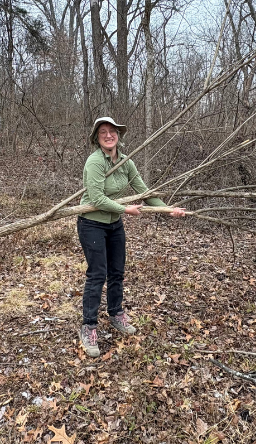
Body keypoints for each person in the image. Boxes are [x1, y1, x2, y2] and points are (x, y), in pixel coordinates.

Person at [77, 116, 186, 358]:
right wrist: (126, 209)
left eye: (112, 131)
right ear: (97, 137)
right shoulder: (95, 162)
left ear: (118, 135)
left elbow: (144, 192)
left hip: (114, 224)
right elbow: (96, 199)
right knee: (97, 275)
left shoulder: (126, 162)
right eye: (103, 132)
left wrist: (168, 210)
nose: (108, 135)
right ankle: (88, 326)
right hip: (92, 224)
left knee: (117, 272)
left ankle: (116, 314)